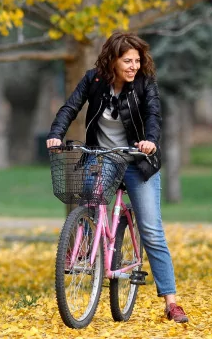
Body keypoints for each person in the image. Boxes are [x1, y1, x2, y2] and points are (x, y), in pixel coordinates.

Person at [46, 31, 189, 324]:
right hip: (104, 157)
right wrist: (56, 133)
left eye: (137, 60)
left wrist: (149, 141)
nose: (133, 66)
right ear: (112, 60)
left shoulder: (145, 84)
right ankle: (86, 246)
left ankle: (171, 302)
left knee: (151, 230)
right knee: (88, 198)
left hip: (139, 160)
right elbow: (71, 107)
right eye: (127, 60)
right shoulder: (93, 80)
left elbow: (153, 116)